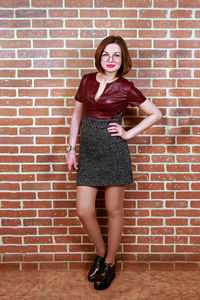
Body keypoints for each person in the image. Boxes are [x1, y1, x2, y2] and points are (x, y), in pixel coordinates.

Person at [66, 36, 162, 290]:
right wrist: (71, 149)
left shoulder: (126, 87)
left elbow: (156, 113)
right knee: (84, 210)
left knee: (113, 210)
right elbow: (76, 117)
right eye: (106, 54)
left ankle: (109, 262)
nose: (110, 59)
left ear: (123, 60)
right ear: (99, 56)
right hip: (88, 153)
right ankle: (100, 252)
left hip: (114, 152)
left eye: (116, 55)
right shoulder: (86, 80)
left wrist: (128, 133)